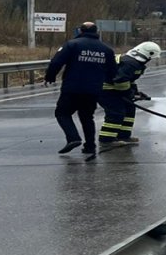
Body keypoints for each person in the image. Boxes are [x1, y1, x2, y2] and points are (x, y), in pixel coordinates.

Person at [45, 22, 116, 159]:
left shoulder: (72, 45)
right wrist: (110, 83)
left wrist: (50, 77)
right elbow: (112, 71)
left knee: (62, 113)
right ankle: (90, 146)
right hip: (93, 90)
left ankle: (73, 138)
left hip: (72, 88)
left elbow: (56, 62)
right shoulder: (106, 49)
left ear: (80, 31)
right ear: (97, 31)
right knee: (87, 117)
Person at [98, 41, 160, 147]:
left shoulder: (134, 63)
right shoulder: (130, 63)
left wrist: (136, 92)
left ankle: (123, 136)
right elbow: (120, 81)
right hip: (106, 90)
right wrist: (129, 94)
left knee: (129, 110)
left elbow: (129, 81)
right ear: (147, 55)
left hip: (115, 90)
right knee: (116, 113)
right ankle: (106, 140)